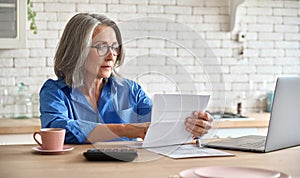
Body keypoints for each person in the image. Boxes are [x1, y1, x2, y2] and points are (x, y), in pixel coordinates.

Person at [39, 13, 213, 144]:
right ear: (77, 50)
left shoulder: (131, 91)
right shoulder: (55, 92)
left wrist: (193, 126)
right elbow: (58, 129)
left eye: (115, 47)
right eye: (101, 47)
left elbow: (160, 125)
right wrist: (127, 129)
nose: (111, 56)